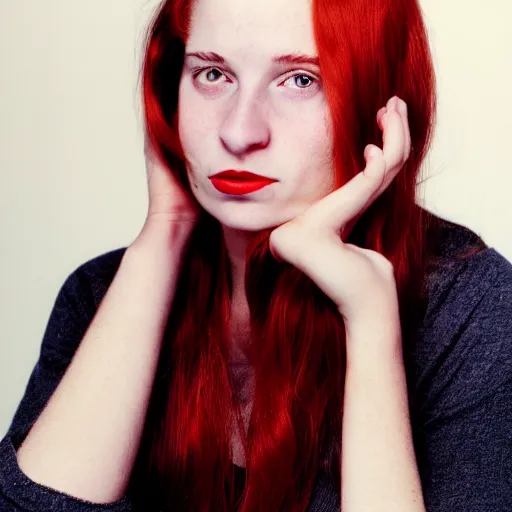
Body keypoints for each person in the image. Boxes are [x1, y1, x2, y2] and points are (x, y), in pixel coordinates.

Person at [1, 0, 511, 510]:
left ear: (380, 102)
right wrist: (164, 234)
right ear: (168, 90)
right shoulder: (104, 296)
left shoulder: (474, 313)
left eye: (300, 81)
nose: (239, 133)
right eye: (213, 73)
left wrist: (371, 323)